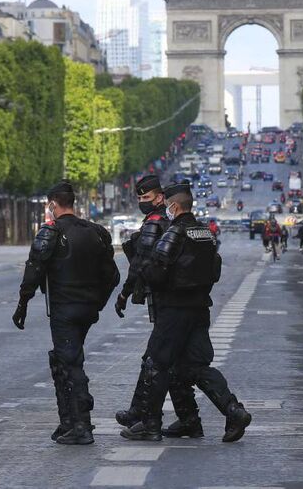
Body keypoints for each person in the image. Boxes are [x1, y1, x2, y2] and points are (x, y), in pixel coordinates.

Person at [120, 182, 252, 443]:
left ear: (174, 206)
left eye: (167, 205)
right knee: (197, 367)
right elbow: (214, 270)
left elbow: (156, 273)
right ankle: (233, 411)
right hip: (199, 308)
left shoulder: (174, 234)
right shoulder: (206, 233)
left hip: (173, 309)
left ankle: (150, 425)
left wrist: (140, 263)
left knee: (156, 364)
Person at [13, 181, 120, 445]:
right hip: (87, 308)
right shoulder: (96, 232)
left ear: (52, 204)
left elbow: (34, 271)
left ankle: (81, 425)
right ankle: (68, 422)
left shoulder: (50, 232)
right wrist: (98, 302)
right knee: (62, 361)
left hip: (64, 308)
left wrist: (23, 304)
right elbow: (112, 276)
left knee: (70, 364)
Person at [114, 175, 203, 439]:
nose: (142, 202)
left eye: (147, 197)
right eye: (140, 197)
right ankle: (187, 418)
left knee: (156, 359)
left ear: (161, 198)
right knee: (171, 361)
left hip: (166, 300)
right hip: (187, 301)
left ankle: (145, 417)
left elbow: (140, 265)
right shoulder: (173, 224)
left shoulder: (154, 223)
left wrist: (125, 293)